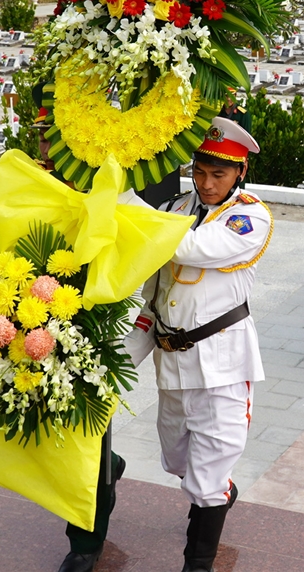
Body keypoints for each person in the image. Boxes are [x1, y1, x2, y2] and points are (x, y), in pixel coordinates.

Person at [123, 118, 270, 572]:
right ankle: (218, 491)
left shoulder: (251, 216)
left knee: (205, 480)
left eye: (219, 175)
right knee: (176, 460)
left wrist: (123, 198)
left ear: (240, 173)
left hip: (223, 363)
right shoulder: (173, 207)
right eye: (200, 172)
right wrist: (120, 362)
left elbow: (189, 248)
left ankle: (198, 562)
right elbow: (155, 300)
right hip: (172, 364)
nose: (206, 184)